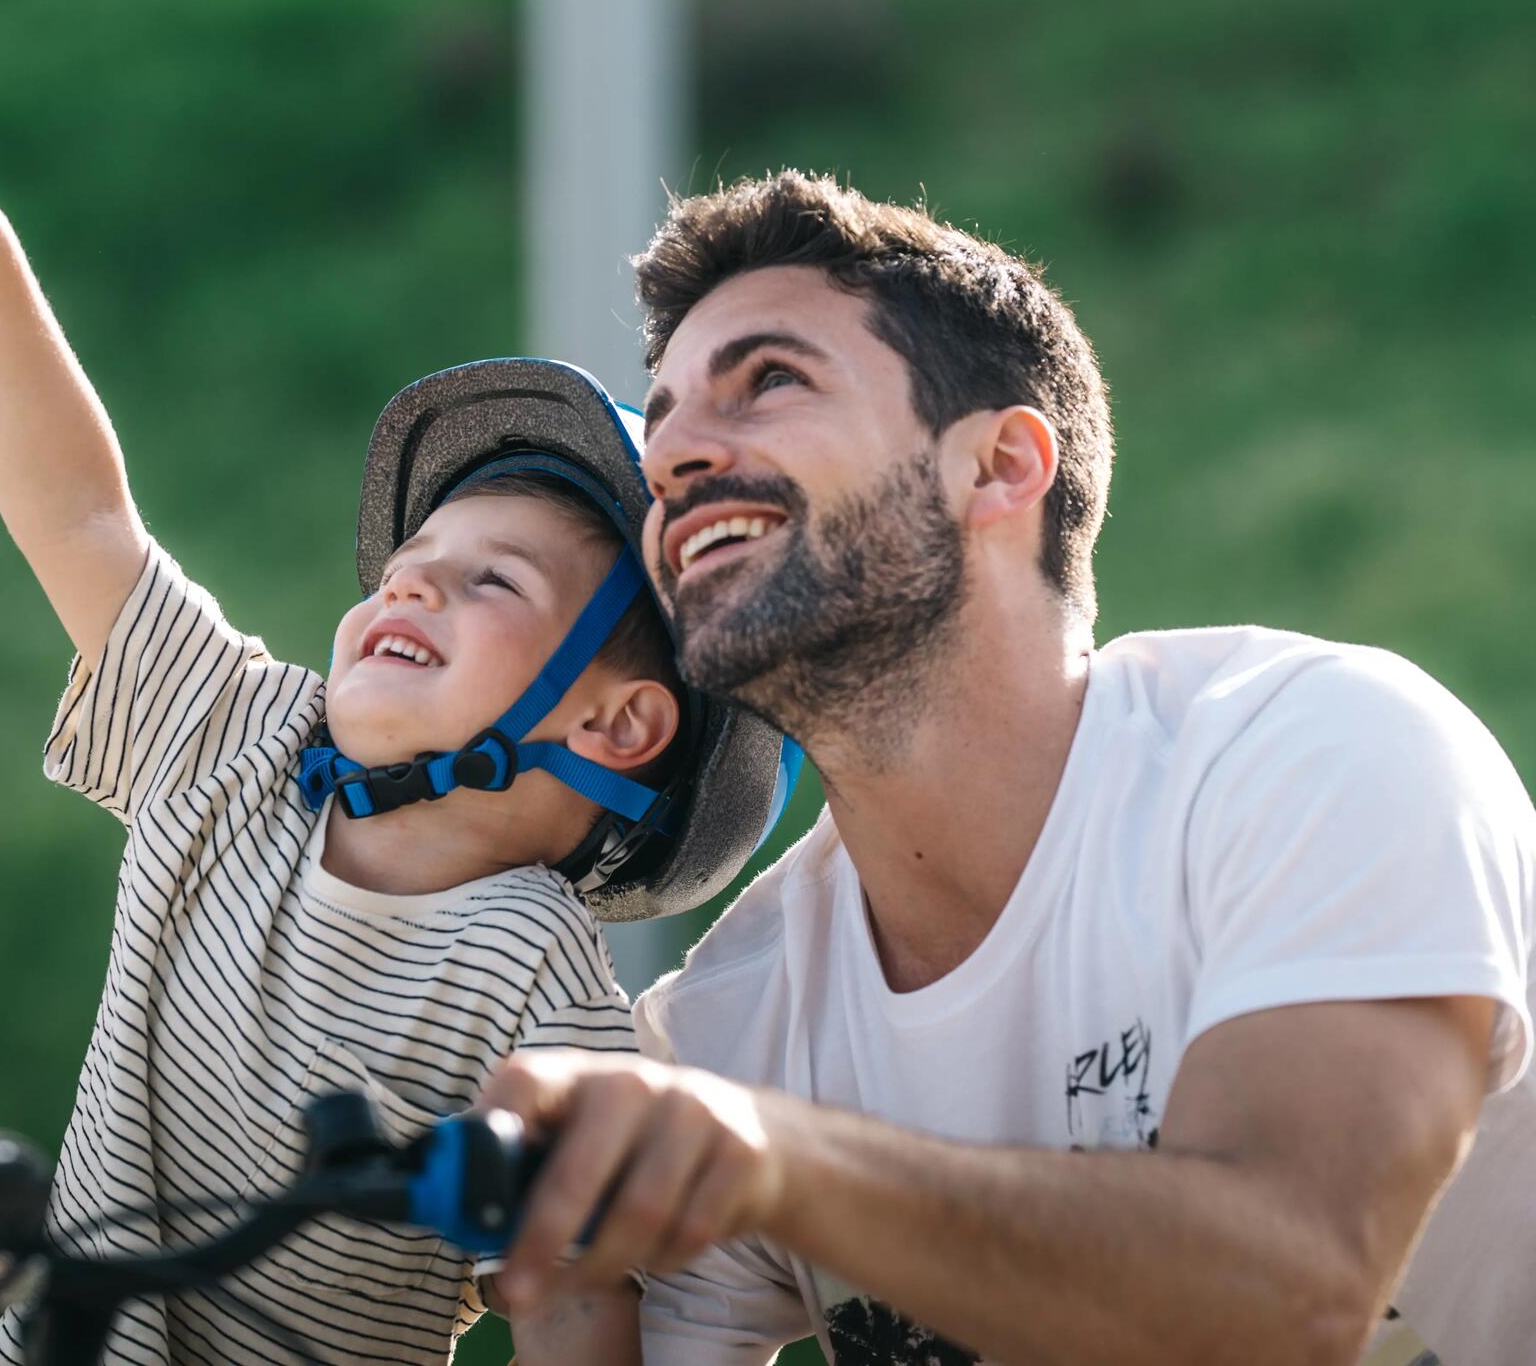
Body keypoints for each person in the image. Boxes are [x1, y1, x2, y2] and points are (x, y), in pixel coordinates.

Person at [0, 0, 801, 1365]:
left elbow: (574, 1298)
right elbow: (81, 516)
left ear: (616, 724)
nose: (410, 583)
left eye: (491, 580)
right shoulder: (235, 739)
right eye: (409, 561)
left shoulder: (535, 980)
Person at [479, 172, 1536, 1365]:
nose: (668, 460)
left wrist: (777, 1162)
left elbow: (1289, 1293)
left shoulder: (1319, 755)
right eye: (661, 421)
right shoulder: (731, 1029)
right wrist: (567, 1292)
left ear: (999, 467)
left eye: (768, 380)